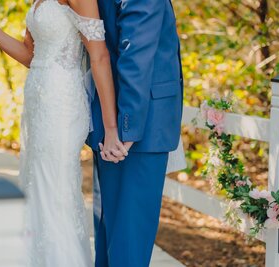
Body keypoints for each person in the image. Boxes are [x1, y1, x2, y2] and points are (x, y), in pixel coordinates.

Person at [0, 0, 128, 266]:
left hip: (61, 103)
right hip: (37, 101)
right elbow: (29, 55)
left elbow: (99, 55)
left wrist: (111, 129)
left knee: (54, 194)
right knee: (36, 190)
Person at [88, 0, 184, 266]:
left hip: (117, 125)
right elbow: (136, 55)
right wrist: (126, 130)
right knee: (129, 245)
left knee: (113, 238)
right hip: (135, 131)